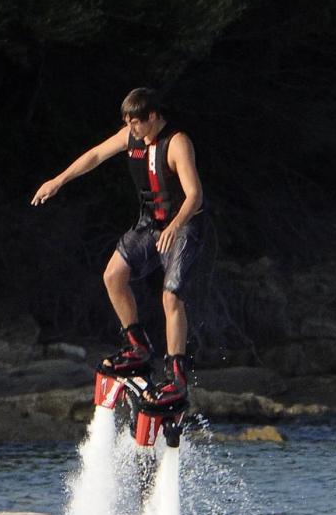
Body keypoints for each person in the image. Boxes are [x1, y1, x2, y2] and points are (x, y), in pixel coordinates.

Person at [31, 87, 206, 408]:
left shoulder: (177, 142)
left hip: (184, 225)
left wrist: (175, 227)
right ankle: (138, 348)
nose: (131, 129)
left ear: (152, 116)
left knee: (171, 296)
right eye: (127, 123)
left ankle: (177, 380)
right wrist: (58, 180)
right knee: (113, 275)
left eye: (136, 122)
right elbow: (95, 156)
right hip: (149, 224)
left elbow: (195, 195)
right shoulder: (131, 136)